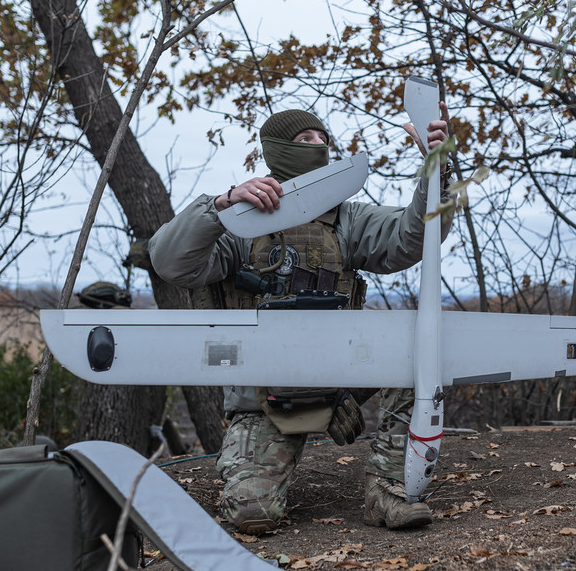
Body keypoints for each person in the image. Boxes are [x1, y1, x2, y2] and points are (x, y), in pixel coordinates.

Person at [148, 106, 452, 535]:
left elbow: (410, 238)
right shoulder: (240, 223)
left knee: (413, 355)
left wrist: (436, 169)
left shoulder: (348, 219)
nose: (318, 147)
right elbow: (169, 262)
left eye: (322, 139)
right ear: (275, 150)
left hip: (342, 380)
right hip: (265, 397)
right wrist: (221, 205)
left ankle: (387, 488)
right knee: (251, 514)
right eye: (304, 139)